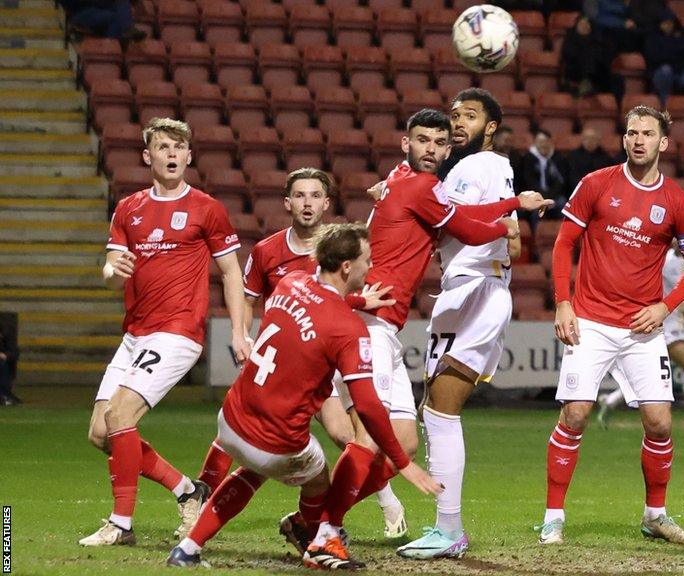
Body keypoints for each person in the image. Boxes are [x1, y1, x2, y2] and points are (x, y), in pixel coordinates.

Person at [318, 105, 553, 561]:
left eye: (441, 141)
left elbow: (457, 219)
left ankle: (325, 518)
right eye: (425, 139)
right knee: (374, 436)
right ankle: (324, 525)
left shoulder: (413, 180)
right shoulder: (425, 186)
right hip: (370, 324)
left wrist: (507, 221)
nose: (435, 147)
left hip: (397, 317)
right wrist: (513, 211)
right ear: (407, 144)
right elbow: (464, 225)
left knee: (404, 438)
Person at [166, 224, 444, 570]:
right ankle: (323, 541)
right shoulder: (348, 329)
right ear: (346, 266)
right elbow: (370, 407)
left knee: (253, 470)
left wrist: (357, 299)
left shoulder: (290, 283)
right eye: (366, 261)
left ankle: (189, 548)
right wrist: (404, 463)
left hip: (231, 420)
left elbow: (320, 300)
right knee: (319, 479)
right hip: (276, 440)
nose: (369, 268)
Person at [191, 167, 410, 541]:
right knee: (286, 431)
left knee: (348, 438)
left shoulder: (338, 249)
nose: (307, 203)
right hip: (287, 362)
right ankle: (200, 503)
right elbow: (249, 297)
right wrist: (240, 335)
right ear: (287, 202)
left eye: (315, 196)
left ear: (326, 203)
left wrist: (359, 299)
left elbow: (332, 298)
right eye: (300, 196)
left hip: (331, 354)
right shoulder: (267, 250)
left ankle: (371, 506)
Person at [537, 105, 684, 546]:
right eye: (631, 132)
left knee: (660, 424)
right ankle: (553, 516)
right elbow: (563, 244)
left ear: (662, 143)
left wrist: (666, 307)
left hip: (643, 330)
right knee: (574, 414)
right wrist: (563, 304)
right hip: (590, 321)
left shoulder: (677, 202)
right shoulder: (596, 184)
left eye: (647, 134)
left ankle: (655, 515)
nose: (637, 140)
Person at [80, 118, 251, 546]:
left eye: (179, 147)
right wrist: (110, 271)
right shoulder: (129, 208)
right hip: (135, 334)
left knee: (121, 416)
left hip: (177, 332)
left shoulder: (206, 208)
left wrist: (239, 330)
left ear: (189, 156)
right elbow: (111, 272)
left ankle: (121, 525)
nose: (172, 154)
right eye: (163, 147)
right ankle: (187, 489)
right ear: (148, 156)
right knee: (101, 432)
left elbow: (231, 271)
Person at [596, 247, 684, 440]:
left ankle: (610, 401)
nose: (675, 239)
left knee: (650, 375)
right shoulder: (664, 259)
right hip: (663, 326)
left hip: (680, 327)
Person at [559, 14, 625, 100]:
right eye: (582, 24)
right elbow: (568, 55)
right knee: (588, 55)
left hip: (598, 73)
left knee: (617, 79)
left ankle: (616, 105)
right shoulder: (570, 39)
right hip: (576, 70)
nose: (584, 26)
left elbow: (606, 56)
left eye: (587, 24)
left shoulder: (597, 40)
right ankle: (586, 83)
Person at [645, 17, 684, 105]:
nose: (668, 26)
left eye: (671, 23)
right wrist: (675, 53)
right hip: (659, 73)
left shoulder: (681, 37)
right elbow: (655, 57)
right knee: (666, 70)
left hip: (680, 72)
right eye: (665, 23)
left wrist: (672, 53)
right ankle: (665, 105)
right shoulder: (653, 38)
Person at [517, 128, 567, 228]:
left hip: (554, 196)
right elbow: (529, 181)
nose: (543, 145)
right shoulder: (528, 158)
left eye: (545, 142)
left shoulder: (557, 158)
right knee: (535, 209)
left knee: (564, 205)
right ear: (535, 143)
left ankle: (563, 238)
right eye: (540, 142)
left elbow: (560, 181)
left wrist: (550, 197)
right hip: (534, 196)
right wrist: (542, 198)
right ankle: (536, 237)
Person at [561, 126, 616, 194]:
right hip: (578, 191)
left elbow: (608, 178)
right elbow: (572, 177)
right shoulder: (573, 156)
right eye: (586, 139)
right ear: (582, 140)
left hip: (599, 192)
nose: (590, 141)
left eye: (593, 139)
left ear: (598, 140)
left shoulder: (606, 157)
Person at [0, 314, 18, 406]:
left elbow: (14, 353)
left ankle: (4, 395)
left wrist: (5, 355)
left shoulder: (7, 336)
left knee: (2, 364)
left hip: (3, 362)